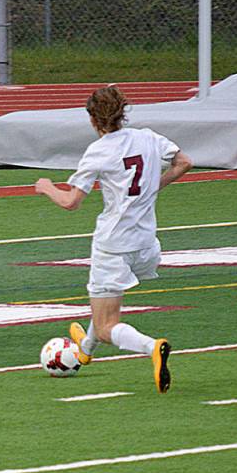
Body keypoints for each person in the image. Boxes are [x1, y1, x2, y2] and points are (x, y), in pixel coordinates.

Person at [35, 86, 192, 393]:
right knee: (103, 303)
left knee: (107, 324)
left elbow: (71, 202)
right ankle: (84, 352)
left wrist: (45, 187)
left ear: (94, 120)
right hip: (147, 242)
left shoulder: (99, 150)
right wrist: (152, 188)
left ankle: (152, 347)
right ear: (123, 113)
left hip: (114, 244)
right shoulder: (147, 137)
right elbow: (185, 162)